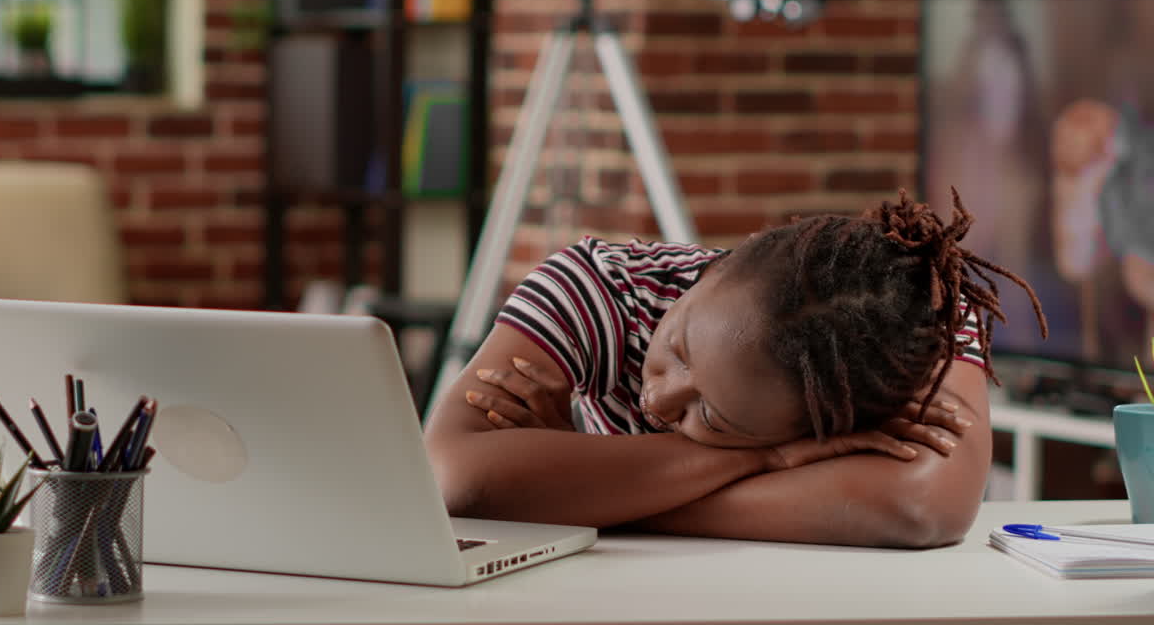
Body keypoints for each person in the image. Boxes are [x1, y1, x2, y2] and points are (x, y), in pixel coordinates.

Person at [423, 189, 1047, 549]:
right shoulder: (602, 284)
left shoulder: (912, 325)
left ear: (822, 421)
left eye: (711, 418)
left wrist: (574, 483)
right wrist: (758, 459)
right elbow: (453, 480)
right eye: (680, 346)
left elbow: (922, 507)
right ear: (716, 266)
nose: (660, 401)